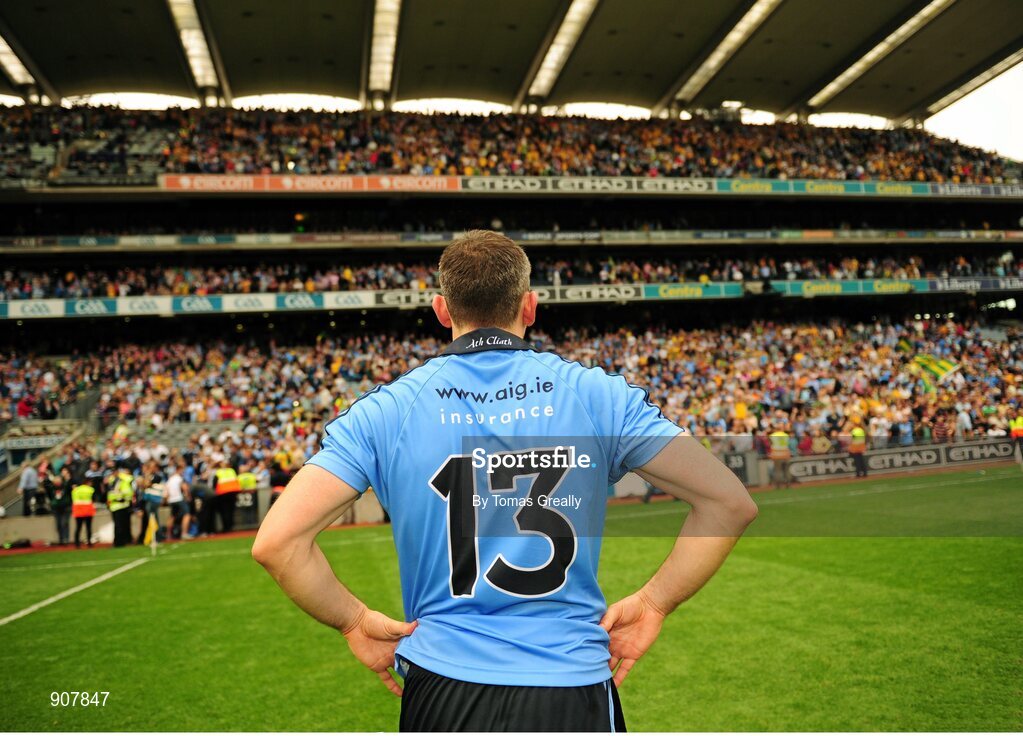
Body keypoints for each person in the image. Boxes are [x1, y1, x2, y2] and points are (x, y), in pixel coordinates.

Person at [253, 230, 758, 731]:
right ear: (531, 306)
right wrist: (653, 602)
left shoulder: (385, 411)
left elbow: (278, 543)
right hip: (570, 681)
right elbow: (728, 502)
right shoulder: (598, 395)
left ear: (442, 310)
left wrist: (354, 620)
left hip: (442, 684)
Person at [106, 463, 135, 547]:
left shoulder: (122, 480)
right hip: (115, 505)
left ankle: (121, 542)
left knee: (121, 525)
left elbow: (127, 492)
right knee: (118, 525)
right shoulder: (112, 480)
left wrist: (124, 499)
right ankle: (119, 542)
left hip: (121, 504)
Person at [164, 463, 193, 540]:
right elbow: (185, 488)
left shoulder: (170, 479)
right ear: (178, 470)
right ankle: (184, 533)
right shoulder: (179, 478)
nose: (183, 472)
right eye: (182, 470)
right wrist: (188, 497)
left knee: (172, 516)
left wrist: (166, 500)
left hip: (171, 500)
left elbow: (166, 492)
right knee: (187, 515)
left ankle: (168, 534)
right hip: (179, 499)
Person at [48, 466, 72, 545]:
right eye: (56, 481)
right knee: (58, 524)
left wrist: (66, 476)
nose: (57, 482)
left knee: (64, 523)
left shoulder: (65, 486)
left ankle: (66, 539)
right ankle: (61, 539)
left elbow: (69, 484)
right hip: (56, 508)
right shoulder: (52, 488)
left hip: (65, 507)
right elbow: (49, 494)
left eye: (59, 480)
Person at [71, 480, 96, 548]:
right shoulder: (90, 489)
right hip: (88, 511)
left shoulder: (75, 490)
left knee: (78, 528)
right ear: (88, 483)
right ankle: (89, 543)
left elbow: (73, 500)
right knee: (88, 528)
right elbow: (94, 499)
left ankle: (77, 543)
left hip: (78, 511)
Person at [768, 423, 792, 488]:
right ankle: (788, 484)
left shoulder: (772, 435)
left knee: (777, 471)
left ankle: (778, 485)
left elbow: (770, 444)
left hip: (776, 454)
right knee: (786, 470)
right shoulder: (786, 435)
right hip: (785, 454)